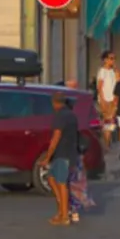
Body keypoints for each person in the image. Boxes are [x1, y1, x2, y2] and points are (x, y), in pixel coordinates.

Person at [37, 95, 81, 226]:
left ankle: (64, 215)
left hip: (63, 154)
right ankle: (62, 209)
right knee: (51, 179)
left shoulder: (60, 116)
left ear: (54, 103)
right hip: (68, 152)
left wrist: (47, 157)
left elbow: (56, 137)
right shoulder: (71, 115)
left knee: (61, 183)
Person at [94, 50, 120, 145]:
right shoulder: (102, 71)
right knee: (108, 122)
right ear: (105, 60)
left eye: (114, 58)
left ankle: (107, 142)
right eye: (111, 58)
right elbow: (99, 87)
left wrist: (116, 71)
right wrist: (102, 100)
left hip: (113, 99)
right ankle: (106, 143)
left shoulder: (113, 71)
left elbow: (118, 82)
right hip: (105, 99)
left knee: (111, 123)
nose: (113, 60)